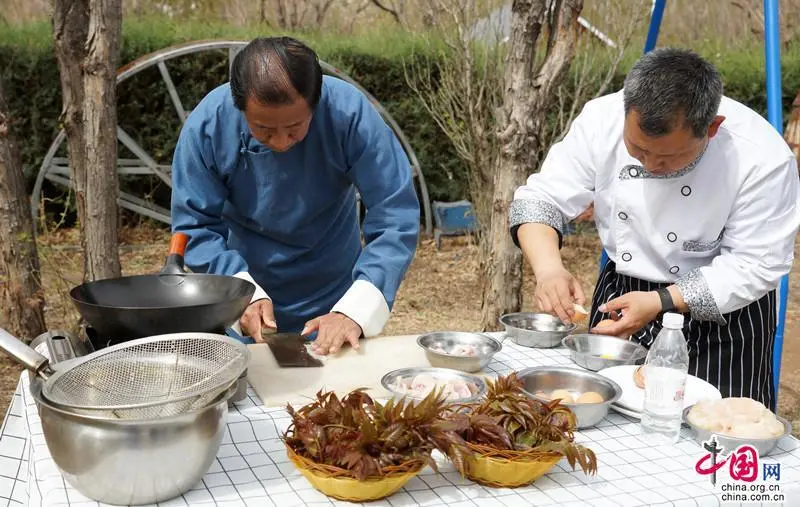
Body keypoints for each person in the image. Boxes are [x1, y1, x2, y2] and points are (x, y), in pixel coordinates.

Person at [510, 47, 799, 408]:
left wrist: (662, 301)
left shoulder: (762, 157)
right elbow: (540, 200)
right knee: (607, 424)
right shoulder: (601, 120)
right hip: (622, 298)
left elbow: (756, 264)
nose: (649, 164)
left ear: (712, 128)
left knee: (715, 437)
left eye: (667, 157)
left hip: (725, 319)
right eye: (637, 149)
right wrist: (548, 269)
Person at [170, 36, 420, 355]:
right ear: (239, 107)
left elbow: (395, 217)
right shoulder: (209, 125)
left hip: (336, 290)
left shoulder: (349, 115)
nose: (280, 141)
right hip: (244, 284)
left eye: (294, 127)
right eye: (263, 130)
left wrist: (355, 310)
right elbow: (195, 228)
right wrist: (237, 291)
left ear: (316, 103)